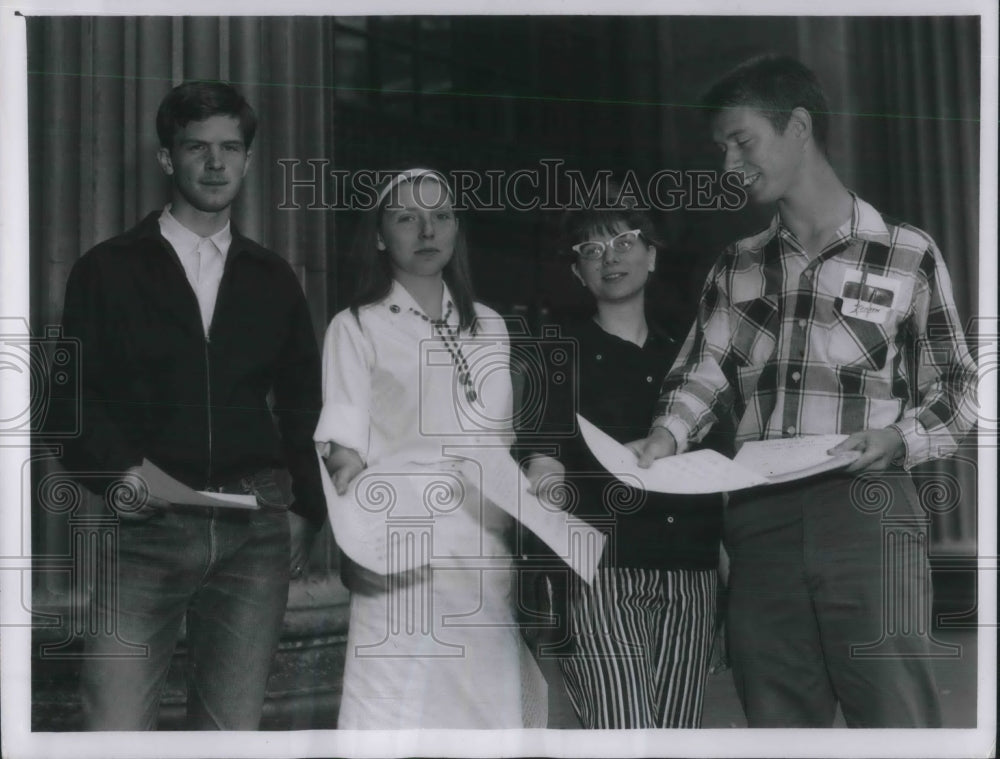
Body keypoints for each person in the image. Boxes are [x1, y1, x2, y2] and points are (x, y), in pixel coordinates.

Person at [629, 55, 978, 727]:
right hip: (759, 523)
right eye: (721, 148)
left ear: (797, 126)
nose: (729, 163)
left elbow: (961, 384)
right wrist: (667, 433)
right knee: (780, 723)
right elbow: (701, 371)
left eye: (741, 141)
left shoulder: (907, 252)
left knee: (896, 719)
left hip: (868, 510)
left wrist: (898, 438)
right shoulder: (736, 265)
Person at [55, 81, 326, 730]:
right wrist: (118, 472)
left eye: (230, 147)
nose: (215, 162)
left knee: (230, 735)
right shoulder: (108, 268)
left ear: (248, 159)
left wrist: (307, 510)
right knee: (112, 732)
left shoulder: (272, 276)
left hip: (253, 536)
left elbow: (303, 403)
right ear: (166, 159)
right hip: (147, 528)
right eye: (196, 147)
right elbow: (68, 398)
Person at [314, 168, 547, 728]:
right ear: (378, 235)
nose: (427, 230)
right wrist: (357, 546)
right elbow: (342, 453)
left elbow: (503, 445)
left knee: (486, 714)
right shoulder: (356, 327)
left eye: (441, 216)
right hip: (399, 552)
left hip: (484, 552)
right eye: (406, 218)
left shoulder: (490, 325)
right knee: (394, 714)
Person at [520, 193, 724, 728]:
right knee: (623, 731)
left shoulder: (689, 357)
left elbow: (721, 459)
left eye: (625, 241)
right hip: (599, 571)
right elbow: (541, 450)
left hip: (690, 570)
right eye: (592, 248)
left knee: (677, 735)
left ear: (652, 255)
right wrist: (545, 477)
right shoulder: (556, 352)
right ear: (577, 271)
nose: (610, 256)